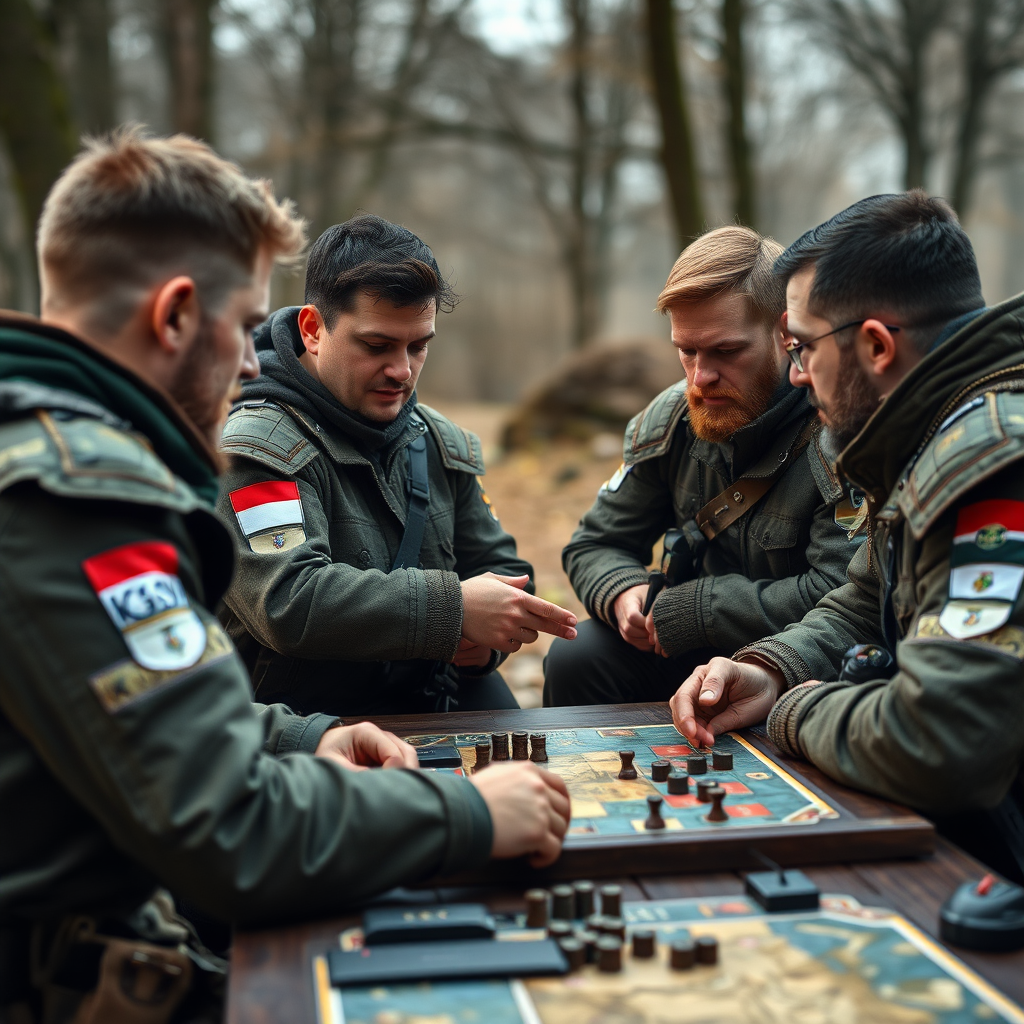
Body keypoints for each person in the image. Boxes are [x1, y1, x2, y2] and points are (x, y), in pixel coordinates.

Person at [0, 130, 570, 1021]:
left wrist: (303, 742)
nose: (248, 364)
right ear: (176, 316)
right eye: (241, 327)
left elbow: (151, 717)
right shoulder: (75, 506)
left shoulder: (51, 466)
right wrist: (466, 814)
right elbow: (232, 825)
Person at [671, 192, 1024, 880]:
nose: (796, 375)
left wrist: (798, 711)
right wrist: (773, 669)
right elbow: (865, 600)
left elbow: (943, 744)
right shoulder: (934, 433)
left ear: (876, 346)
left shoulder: (987, 467)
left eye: (803, 346)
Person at [216, 215, 578, 716]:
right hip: (300, 720)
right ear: (313, 329)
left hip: (429, 695)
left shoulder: (438, 441)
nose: (402, 370)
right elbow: (289, 601)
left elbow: (501, 569)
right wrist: (453, 610)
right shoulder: (257, 449)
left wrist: (483, 644)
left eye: (419, 345)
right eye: (377, 345)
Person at [544, 226, 865, 706]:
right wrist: (622, 593)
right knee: (579, 655)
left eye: (726, 351)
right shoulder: (674, 418)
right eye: (687, 351)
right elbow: (596, 542)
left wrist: (701, 609)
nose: (700, 377)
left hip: (803, 665)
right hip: (689, 653)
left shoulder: (838, 434)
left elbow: (843, 594)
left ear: (785, 334)